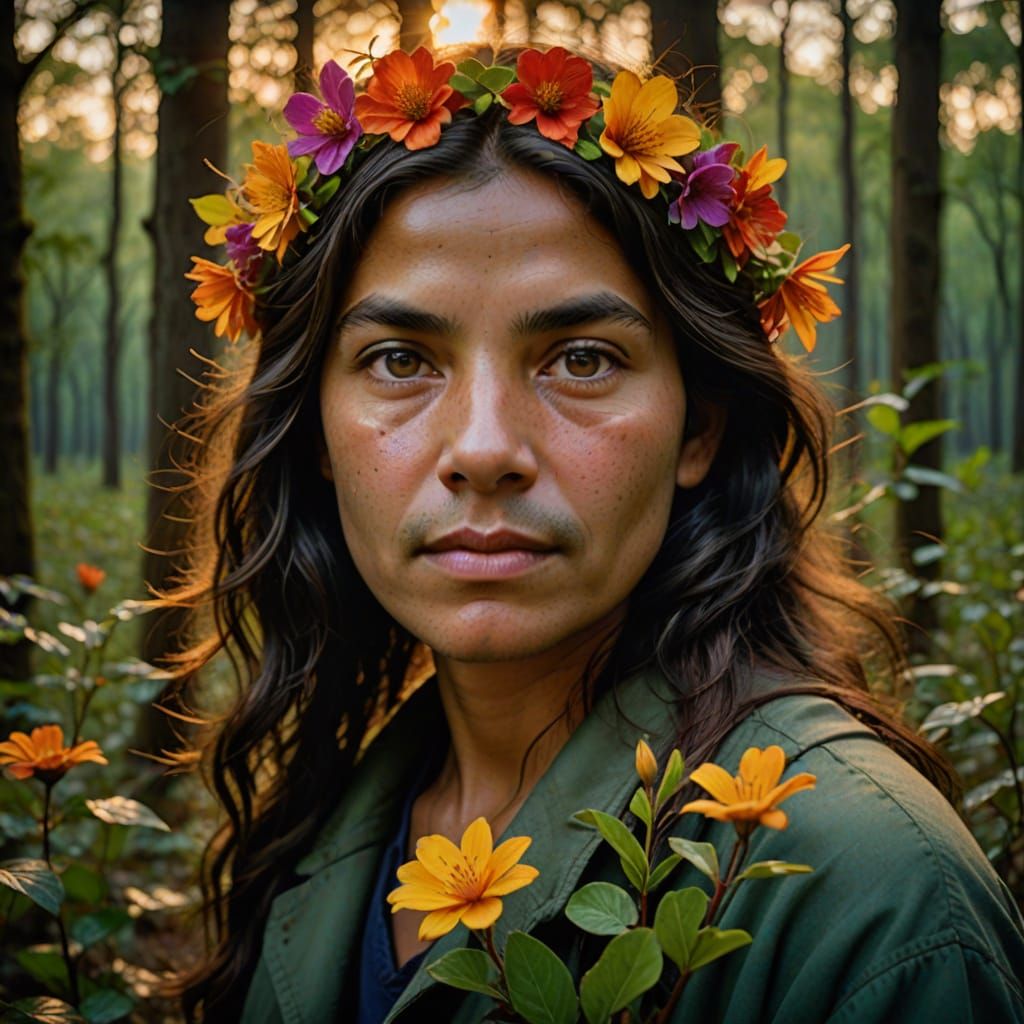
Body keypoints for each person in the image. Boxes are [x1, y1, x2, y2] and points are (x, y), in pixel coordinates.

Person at [165, 40, 1024, 1024]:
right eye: (400, 358)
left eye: (579, 359)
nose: (484, 449)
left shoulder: (866, 897)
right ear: (315, 427)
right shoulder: (324, 836)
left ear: (697, 425)